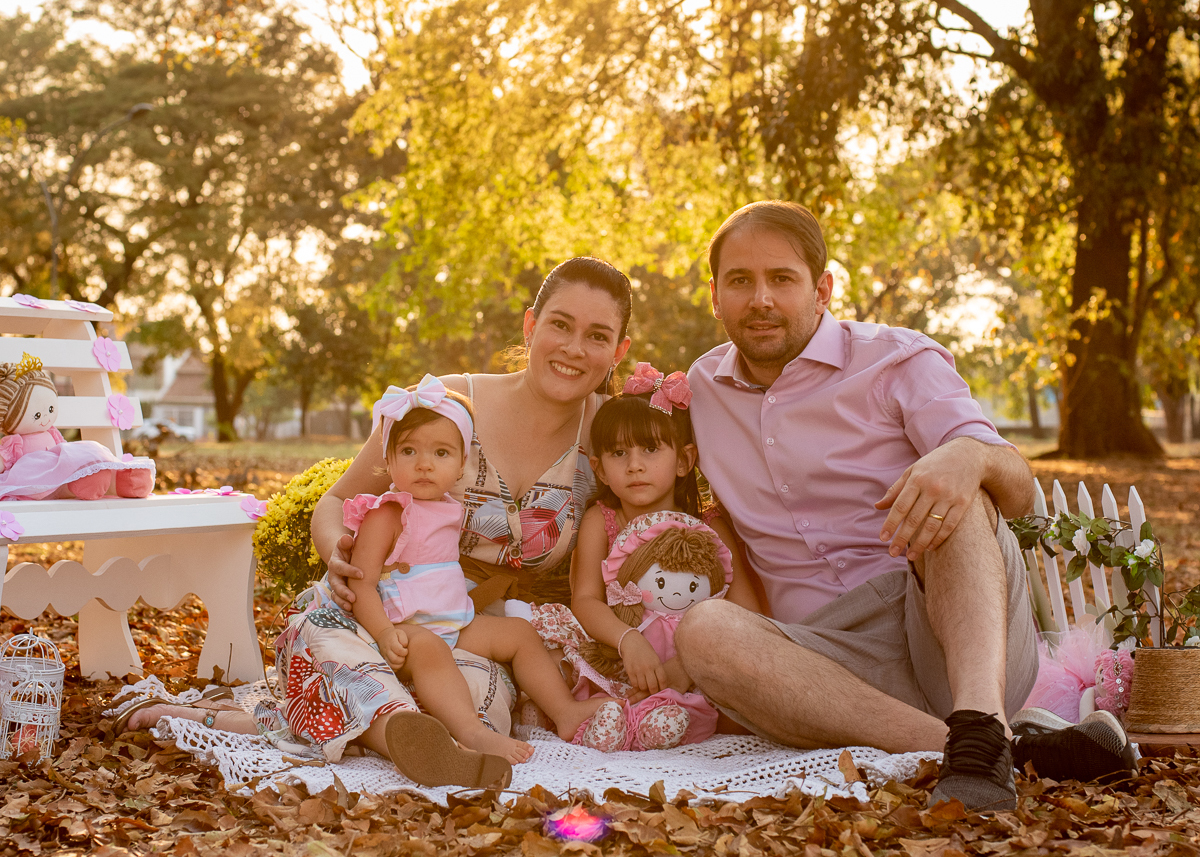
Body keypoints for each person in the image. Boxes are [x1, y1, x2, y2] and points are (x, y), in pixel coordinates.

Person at [674, 200, 1137, 812]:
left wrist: (969, 458)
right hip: (823, 667)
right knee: (701, 629)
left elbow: (1019, 492)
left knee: (956, 484)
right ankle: (996, 749)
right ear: (715, 295)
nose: (760, 299)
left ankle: (979, 718)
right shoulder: (699, 391)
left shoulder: (897, 359)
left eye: (781, 279)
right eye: (740, 281)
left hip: (953, 636)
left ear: (822, 289)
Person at [113, 257, 634, 787]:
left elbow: (656, 524)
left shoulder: (610, 431)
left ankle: (346, 729)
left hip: (464, 629)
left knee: (480, 705)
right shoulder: (449, 403)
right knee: (338, 650)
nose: (574, 348)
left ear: (619, 352)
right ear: (531, 324)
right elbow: (336, 501)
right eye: (560, 325)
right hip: (374, 611)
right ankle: (389, 730)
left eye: (597, 336)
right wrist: (338, 550)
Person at [568, 367, 762, 751]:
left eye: (651, 449)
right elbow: (585, 599)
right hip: (624, 660)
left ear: (684, 461)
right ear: (599, 469)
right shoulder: (602, 521)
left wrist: (688, 666)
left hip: (698, 666)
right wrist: (629, 642)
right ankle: (616, 718)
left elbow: (745, 613)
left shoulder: (708, 528)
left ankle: (669, 720)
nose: (634, 465)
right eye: (619, 453)